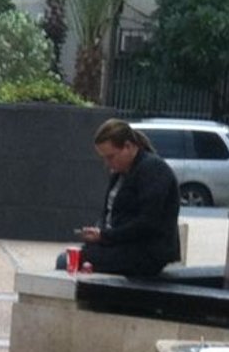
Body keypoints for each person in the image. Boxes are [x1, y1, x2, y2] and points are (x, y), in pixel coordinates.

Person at [55, 118, 180, 276]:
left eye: (110, 157)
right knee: (72, 257)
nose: (107, 163)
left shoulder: (153, 169)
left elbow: (148, 222)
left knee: (66, 261)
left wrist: (104, 236)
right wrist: (99, 232)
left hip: (145, 251)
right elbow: (112, 213)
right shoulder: (120, 173)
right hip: (121, 246)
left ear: (128, 146)